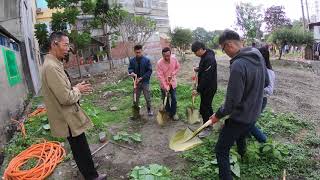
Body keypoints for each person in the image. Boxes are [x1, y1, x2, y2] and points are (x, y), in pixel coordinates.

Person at [41, 32, 106, 180]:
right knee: (81, 149)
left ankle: (89, 173)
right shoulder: (51, 67)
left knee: (79, 149)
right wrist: (78, 90)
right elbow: (65, 98)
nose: (68, 49)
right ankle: (92, 177)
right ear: (54, 44)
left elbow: (62, 90)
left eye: (68, 45)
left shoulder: (54, 63)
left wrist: (74, 88)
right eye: (65, 45)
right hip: (67, 119)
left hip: (69, 117)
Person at [210, 30, 268, 180]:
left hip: (241, 115)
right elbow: (266, 82)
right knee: (241, 134)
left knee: (221, 149)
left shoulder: (238, 65)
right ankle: (243, 156)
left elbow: (232, 103)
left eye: (223, 49)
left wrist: (217, 115)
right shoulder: (257, 54)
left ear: (228, 45)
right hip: (254, 111)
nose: (224, 52)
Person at [191, 41, 217, 138]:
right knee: (208, 106)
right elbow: (204, 68)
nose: (195, 54)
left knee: (204, 108)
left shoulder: (209, 59)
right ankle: (211, 122)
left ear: (201, 49)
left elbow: (206, 78)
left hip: (209, 88)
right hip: (207, 86)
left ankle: (208, 129)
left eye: (195, 52)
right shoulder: (206, 54)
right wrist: (199, 69)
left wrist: (198, 90)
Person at [250, 46, 276, 143]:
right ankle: (245, 135)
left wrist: (254, 90)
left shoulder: (269, 72)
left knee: (248, 123)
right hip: (252, 99)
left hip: (260, 101)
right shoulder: (256, 68)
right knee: (248, 121)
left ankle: (264, 141)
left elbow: (269, 90)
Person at [128, 45, 153, 117]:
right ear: (134, 52)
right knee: (135, 98)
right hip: (136, 83)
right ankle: (136, 112)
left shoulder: (146, 60)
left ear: (142, 51)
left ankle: (149, 110)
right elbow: (130, 69)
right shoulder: (132, 60)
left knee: (147, 97)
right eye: (136, 52)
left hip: (145, 82)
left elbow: (149, 71)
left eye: (139, 52)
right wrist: (131, 72)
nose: (138, 54)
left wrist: (141, 78)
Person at [156, 47, 180, 120]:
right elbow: (160, 76)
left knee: (174, 98)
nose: (167, 57)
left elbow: (178, 67)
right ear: (162, 55)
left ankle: (174, 113)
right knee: (165, 99)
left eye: (168, 55)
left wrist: (174, 72)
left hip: (172, 82)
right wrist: (165, 86)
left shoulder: (174, 59)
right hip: (164, 84)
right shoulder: (159, 63)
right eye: (165, 56)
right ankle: (168, 112)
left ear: (170, 54)